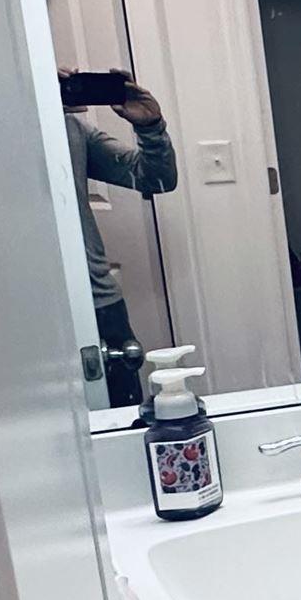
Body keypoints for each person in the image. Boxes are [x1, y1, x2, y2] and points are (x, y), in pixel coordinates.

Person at [62, 72, 177, 406]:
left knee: (123, 423)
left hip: (101, 304)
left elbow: (156, 179)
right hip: (27, 310)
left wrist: (151, 127)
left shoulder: (72, 128)